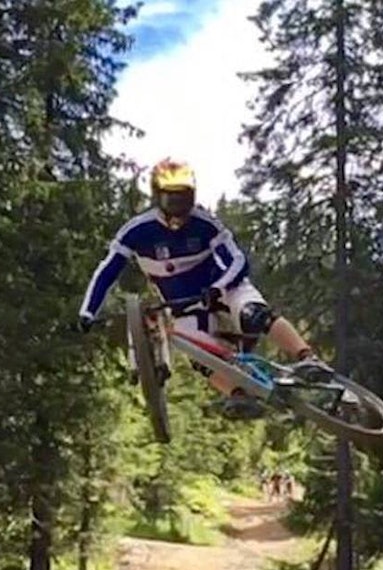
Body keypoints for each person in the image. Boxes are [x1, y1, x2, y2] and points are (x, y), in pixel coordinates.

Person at [77, 158, 331, 418]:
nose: (179, 209)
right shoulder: (137, 231)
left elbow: (238, 261)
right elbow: (107, 271)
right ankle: (238, 395)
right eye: (172, 201)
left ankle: (307, 357)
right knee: (200, 358)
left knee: (254, 314)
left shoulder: (205, 224)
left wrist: (218, 288)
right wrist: (88, 312)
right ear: (157, 197)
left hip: (225, 288)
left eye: (185, 200)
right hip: (184, 307)